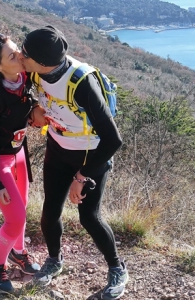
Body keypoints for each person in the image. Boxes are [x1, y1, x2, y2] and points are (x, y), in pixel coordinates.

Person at [19, 25, 129, 300]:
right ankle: (55, 260)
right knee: (49, 211)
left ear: (43, 62)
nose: (21, 56)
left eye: (25, 53)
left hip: (91, 154)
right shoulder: (34, 72)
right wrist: (33, 109)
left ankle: (117, 267)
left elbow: (114, 139)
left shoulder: (82, 84)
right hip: (58, 147)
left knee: (89, 217)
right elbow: (21, 94)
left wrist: (82, 177)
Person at [0, 33, 45, 294]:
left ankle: (19, 253)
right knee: (16, 218)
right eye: (12, 56)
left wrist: (36, 109)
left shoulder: (23, 79)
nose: (20, 57)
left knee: (21, 210)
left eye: (17, 51)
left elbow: (26, 106)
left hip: (20, 156)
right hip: (0, 163)